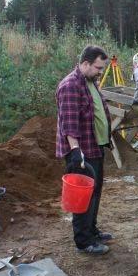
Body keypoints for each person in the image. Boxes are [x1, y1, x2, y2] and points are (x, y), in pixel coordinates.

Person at [56, 45, 113, 255]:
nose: (100, 72)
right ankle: (83, 242)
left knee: (95, 192)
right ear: (86, 63)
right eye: (98, 67)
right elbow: (69, 124)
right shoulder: (70, 85)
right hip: (80, 151)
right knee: (83, 197)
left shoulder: (90, 82)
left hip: (94, 146)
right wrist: (76, 151)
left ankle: (92, 231)